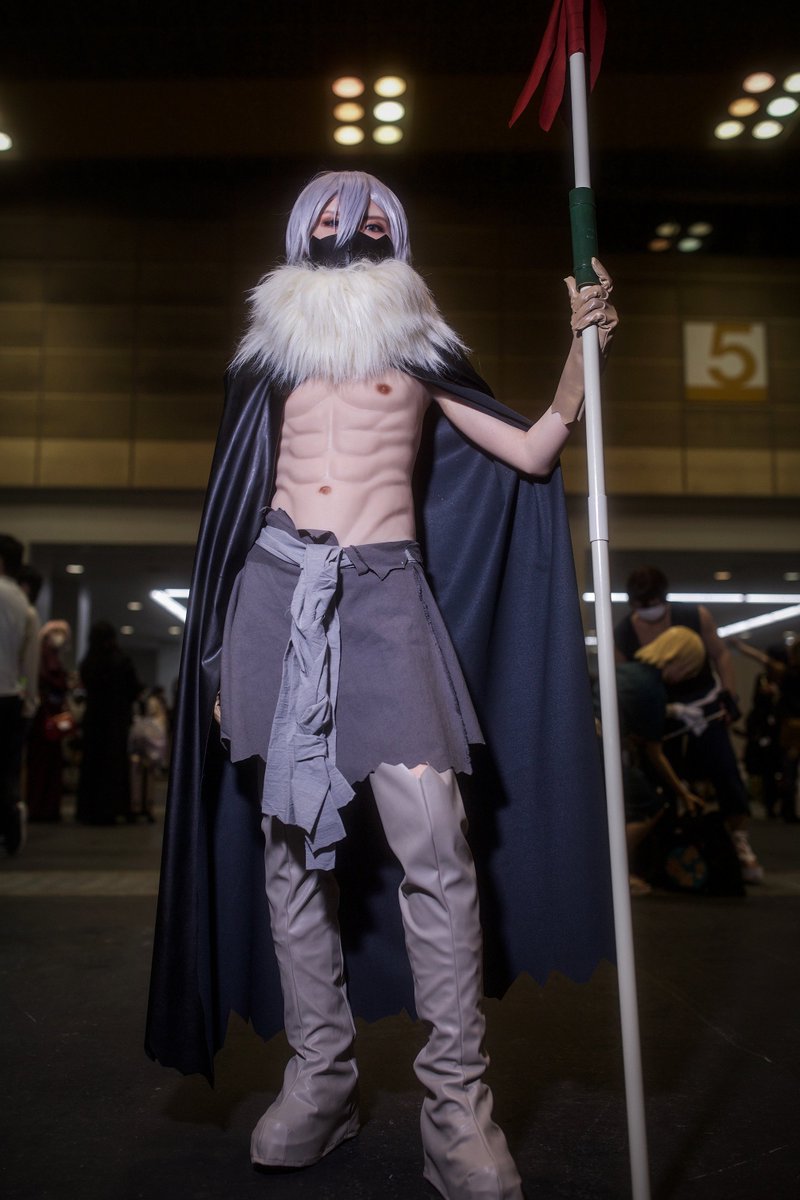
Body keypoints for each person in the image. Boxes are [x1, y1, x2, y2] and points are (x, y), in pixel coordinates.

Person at [146, 171, 618, 1199]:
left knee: (435, 841)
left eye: (365, 211)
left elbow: (531, 451)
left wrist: (580, 352)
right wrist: (221, 652)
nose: (344, 221)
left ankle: (457, 1107)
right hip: (276, 590)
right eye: (325, 208)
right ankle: (320, 1080)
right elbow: (233, 504)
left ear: (390, 230)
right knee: (288, 851)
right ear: (299, 227)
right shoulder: (266, 353)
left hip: (384, 593)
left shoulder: (417, 339)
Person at [614, 566, 763, 883]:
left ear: (664, 597)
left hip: (703, 704)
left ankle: (738, 840)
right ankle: (664, 848)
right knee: (661, 778)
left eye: (653, 602)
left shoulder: (695, 616)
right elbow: (624, 680)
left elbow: (721, 655)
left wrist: (729, 695)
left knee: (725, 771)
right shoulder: (624, 633)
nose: (648, 609)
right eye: (640, 604)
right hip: (660, 710)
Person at [600, 626, 708, 895]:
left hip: (588, 747)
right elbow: (655, 753)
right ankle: (614, 874)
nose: (686, 678)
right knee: (649, 805)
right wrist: (683, 793)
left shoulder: (626, 670)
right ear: (678, 659)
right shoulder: (653, 688)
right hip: (601, 752)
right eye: (688, 670)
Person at [76, 621, 141, 825]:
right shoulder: (121, 661)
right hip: (115, 720)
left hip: (93, 719)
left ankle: (88, 809)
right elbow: (134, 688)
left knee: (91, 765)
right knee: (114, 765)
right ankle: (112, 808)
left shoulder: (88, 662)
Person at [732, 637, 800, 823]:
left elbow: (764, 659)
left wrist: (741, 647)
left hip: (790, 728)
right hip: (789, 727)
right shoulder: (785, 675)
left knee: (788, 769)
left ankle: (785, 808)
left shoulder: (787, 674)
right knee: (788, 769)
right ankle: (786, 808)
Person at [0, 534, 39, 854]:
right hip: (11, 697)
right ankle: (10, 828)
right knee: (7, 770)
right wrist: (29, 699)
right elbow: (29, 662)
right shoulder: (24, 605)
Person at [26, 620, 72, 822]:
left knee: (48, 764)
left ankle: (45, 807)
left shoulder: (50, 656)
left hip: (48, 717)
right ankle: (41, 807)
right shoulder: (44, 657)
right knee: (43, 765)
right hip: (44, 717)